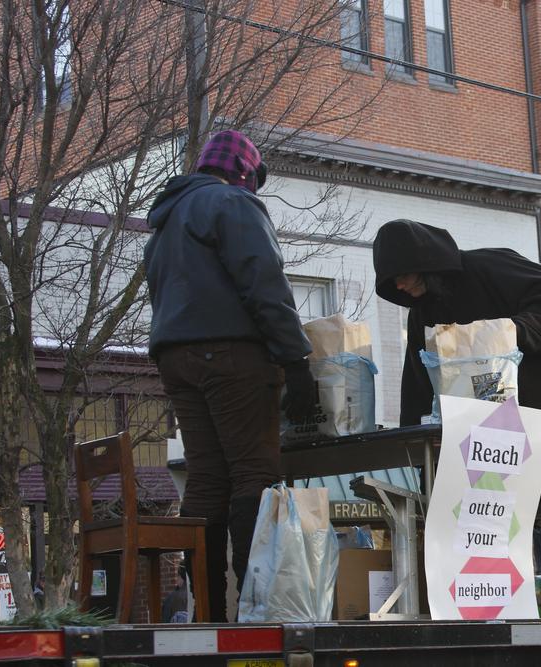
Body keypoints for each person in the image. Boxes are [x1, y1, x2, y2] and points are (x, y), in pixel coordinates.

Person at [372, 219, 541, 617]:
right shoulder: (422, 312)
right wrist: (414, 435)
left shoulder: (491, 266)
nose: (401, 288)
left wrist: (510, 332)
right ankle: (509, 607)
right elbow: (418, 376)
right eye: (392, 286)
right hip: (496, 406)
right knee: (496, 505)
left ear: (423, 261)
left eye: (402, 276)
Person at [144, 130, 317, 621]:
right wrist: (296, 361)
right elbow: (265, 283)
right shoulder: (233, 203)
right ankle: (253, 608)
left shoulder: (165, 223)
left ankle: (207, 609)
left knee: (204, 479)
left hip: (175, 359)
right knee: (253, 473)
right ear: (244, 173)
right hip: (232, 356)